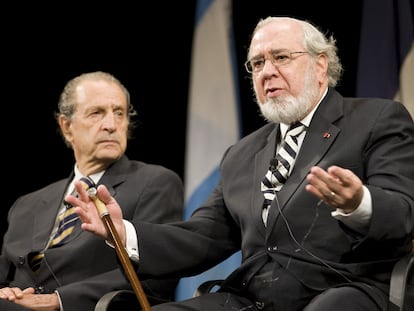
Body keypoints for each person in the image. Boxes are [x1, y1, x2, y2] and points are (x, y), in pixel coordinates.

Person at [69, 17, 414, 311]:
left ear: (320, 65)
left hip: (341, 290)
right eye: (258, 63)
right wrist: (122, 229)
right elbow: (204, 235)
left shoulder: (376, 119)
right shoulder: (242, 153)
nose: (267, 72)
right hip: (252, 297)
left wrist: (359, 203)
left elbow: (403, 211)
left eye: (281, 57)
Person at [0, 71, 184, 311]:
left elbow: (159, 273)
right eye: (96, 113)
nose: (111, 125)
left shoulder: (155, 183)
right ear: (67, 127)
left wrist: (58, 300)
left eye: (119, 113)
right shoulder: (26, 205)